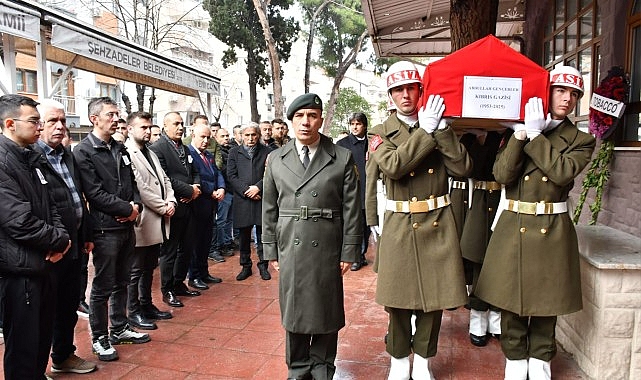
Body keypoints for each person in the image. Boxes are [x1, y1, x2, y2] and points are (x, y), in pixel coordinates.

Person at [475, 66, 596, 380]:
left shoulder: (581, 139)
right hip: (514, 221)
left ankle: (540, 361)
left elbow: (561, 172)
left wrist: (538, 135)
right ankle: (515, 359)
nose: (567, 99)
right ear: (547, 91)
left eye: (573, 94)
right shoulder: (518, 129)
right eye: (560, 91)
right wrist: (519, 135)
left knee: (547, 300)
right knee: (511, 297)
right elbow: (501, 175)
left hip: (552, 226)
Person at [366, 61, 471, 380]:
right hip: (398, 221)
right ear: (390, 95)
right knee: (398, 299)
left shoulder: (440, 126)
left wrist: (440, 131)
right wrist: (372, 217)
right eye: (398, 90)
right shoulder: (380, 132)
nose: (405, 95)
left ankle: (423, 359)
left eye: (411, 87)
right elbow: (392, 167)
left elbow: (463, 168)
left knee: (434, 298)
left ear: (421, 90)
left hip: (437, 220)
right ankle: (399, 358)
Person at [262, 93, 362, 380]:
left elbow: (352, 209)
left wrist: (349, 250)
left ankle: (322, 368)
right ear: (292, 121)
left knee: (326, 308)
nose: (305, 122)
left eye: (312, 116)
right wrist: (270, 250)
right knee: (294, 309)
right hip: (290, 242)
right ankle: (297, 368)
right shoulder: (275, 159)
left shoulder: (341, 157)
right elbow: (269, 208)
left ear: (320, 119)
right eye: (299, 117)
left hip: (327, 244)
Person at [0, 94, 71, 379]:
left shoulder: (32, 158)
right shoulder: (3, 162)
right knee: (23, 348)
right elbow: (18, 222)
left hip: (44, 264)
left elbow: (51, 204)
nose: (40, 127)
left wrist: (62, 239)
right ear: (9, 123)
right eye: (34, 121)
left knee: (41, 341)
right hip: (20, 272)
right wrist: (58, 240)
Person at [74, 97, 150, 362]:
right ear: (95, 118)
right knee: (103, 286)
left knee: (123, 281)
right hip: (105, 229)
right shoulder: (83, 151)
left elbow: (133, 183)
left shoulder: (119, 148)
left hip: (126, 226)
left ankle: (119, 328)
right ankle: (99, 337)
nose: (116, 118)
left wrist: (136, 207)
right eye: (111, 114)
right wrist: (126, 209)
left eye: (118, 114)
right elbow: (93, 193)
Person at [34, 99, 97, 374]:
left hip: (73, 245)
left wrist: (86, 234)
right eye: (52, 121)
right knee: (43, 311)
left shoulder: (67, 154)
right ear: (38, 125)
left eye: (63, 121)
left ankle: (63, 355)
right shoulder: (31, 157)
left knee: (69, 305)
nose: (59, 126)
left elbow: (79, 197)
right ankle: (36, 368)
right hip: (49, 249)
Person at [124, 111, 176, 331]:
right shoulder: (128, 152)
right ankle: (133, 312)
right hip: (144, 218)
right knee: (136, 270)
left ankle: (147, 305)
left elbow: (164, 179)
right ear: (130, 129)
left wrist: (171, 199)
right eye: (143, 127)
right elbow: (140, 187)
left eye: (149, 127)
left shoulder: (150, 152)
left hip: (159, 217)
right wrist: (163, 206)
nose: (147, 131)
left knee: (149, 267)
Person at [150, 112, 203, 308]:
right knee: (170, 251)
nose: (181, 127)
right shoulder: (157, 148)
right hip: (173, 207)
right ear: (165, 125)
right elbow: (163, 177)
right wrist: (188, 190)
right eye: (176, 124)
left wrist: (195, 189)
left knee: (187, 248)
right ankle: (167, 290)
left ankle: (179, 282)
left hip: (190, 206)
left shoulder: (186, 149)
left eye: (182, 124)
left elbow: (195, 171)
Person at [456, 130, 504, 348]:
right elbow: (472, 168)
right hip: (480, 202)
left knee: (501, 267)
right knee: (479, 266)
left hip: (505, 203)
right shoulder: (471, 139)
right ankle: (478, 321)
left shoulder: (515, 136)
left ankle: (496, 320)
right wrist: (481, 139)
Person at [227, 123, 271, 281]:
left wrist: (258, 188)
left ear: (258, 135)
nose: (250, 138)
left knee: (262, 234)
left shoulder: (268, 152)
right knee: (244, 236)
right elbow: (231, 175)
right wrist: (247, 191)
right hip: (243, 199)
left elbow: (271, 174)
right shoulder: (234, 152)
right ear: (241, 136)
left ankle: (263, 265)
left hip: (261, 198)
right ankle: (245, 266)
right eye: (247, 135)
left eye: (253, 135)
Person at [186, 124, 226, 289]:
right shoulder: (189, 154)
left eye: (208, 137)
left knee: (205, 241)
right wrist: (212, 191)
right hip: (197, 204)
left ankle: (204, 272)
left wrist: (222, 188)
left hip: (210, 205)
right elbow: (196, 178)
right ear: (193, 135)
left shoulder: (208, 155)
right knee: (195, 242)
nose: (205, 140)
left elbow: (217, 173)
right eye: (202, 137)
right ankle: (193, 276)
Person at [337, 112, 371, 271]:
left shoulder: (372, 142)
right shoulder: (343, 144)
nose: (355, 127)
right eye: (352, 124)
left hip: (370, 190)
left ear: (364, 125)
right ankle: (355, 256)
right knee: (352, 224)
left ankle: (361, 255)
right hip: (351, 190)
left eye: (358, 124)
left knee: (366, 225)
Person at [210, 127, 235, 257]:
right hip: (223, 190)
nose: (226, 138)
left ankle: (227, 241)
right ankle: (220, 245)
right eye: (222, 136)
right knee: (222, 220)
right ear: (216, 138)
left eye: (227, 135)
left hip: (231, 190)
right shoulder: (215, 154)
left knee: (229, 219)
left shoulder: (231, 150)